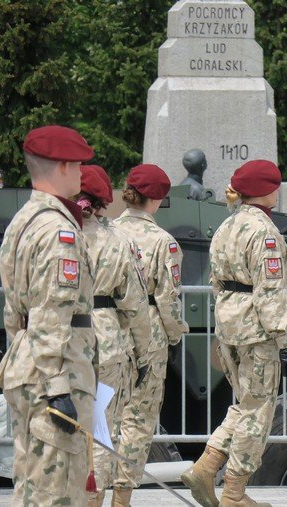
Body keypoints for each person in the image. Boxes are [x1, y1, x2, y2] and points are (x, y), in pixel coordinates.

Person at [181, 159, 287, 507]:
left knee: (245, 404)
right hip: (257, 330)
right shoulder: (264, 231)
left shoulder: (227, 225)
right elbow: (270, 292)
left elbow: (216, 281)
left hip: (229, 325)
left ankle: (206, 467)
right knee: (258, 410)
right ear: (268, 191)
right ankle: (234, 492)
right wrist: (286, 341)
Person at [0, 125, 96, 505]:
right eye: (79, 165)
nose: (82, 173)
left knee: (32, 486)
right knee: (58, 493)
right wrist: (58, 387)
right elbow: (52, 310)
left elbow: (15, 310)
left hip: (28, 363)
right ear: (64, 166)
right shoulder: (57, 231)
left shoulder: (23, 221)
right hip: (55, 373)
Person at [112, 163, 190, 505]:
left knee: (103, 416)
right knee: (139, 419)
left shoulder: (108, 232)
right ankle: (122, 497)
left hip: (110, 329)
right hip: (150, 332)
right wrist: (175, 336)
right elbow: (168, 299)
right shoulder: (162, 241)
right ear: (157, 199)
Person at [78, 165, 153, 506]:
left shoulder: (52, 233)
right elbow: (135, 304)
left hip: (59, 339)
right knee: (99, 428)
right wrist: (144, 352)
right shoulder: (118, 241)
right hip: (106, 342)